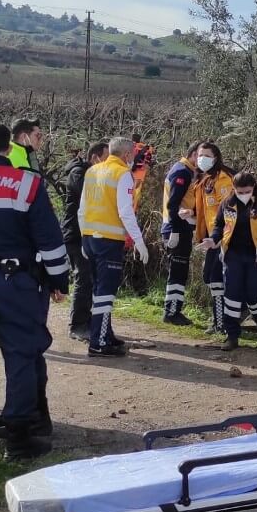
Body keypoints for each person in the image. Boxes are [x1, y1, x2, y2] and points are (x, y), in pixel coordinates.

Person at [0, 124, 70, 460]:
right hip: (15, 284)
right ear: (7, 147)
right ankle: (20, 436)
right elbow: (51, 241)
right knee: (22, 355)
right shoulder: (26, 184)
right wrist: (59, 280)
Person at [79, 136, 150, 356]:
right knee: (105, 293)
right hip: (109, 240)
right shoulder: (123, 174)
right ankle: (98, 342)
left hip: (90, 238)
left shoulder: (93, 171)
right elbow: (125, 212)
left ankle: (105, 334)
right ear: (128, 155)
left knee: (99, 290)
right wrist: (139, 241)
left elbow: (82, 207)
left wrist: (84, 235)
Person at [200, 171, 257, 351]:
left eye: (247, 191)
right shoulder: (227, 203)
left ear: (253, 188)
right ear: (234, 189)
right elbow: (219, 225)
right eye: (240, 191)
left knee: (253, 295)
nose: (243, 195)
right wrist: (213, 239)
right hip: (232, 254)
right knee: (232, 295)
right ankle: (232, 336)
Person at [61, 141, 109, 341]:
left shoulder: (90, 173)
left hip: (90, 233)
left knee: (89, 278)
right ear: (96, 157)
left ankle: (87, 320)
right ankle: (78, 325)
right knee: (84, 277)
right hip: (76, 234)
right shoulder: (78, 173)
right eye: (106, 157)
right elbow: (90, 196)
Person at [193, 142, 234, 335]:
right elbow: (206, 210)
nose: (202, 158)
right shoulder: (205, 180)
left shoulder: (223, 179)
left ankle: (222, 322)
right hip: (210, 236)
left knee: (215, 277)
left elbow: (227, 211)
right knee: (210, 277)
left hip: (223, 238)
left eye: (207, 155)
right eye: (200, 154)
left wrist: (219, 238)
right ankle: (219, 320)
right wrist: (191, 213)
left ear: (215, 158)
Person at [160, 141, 201, 325]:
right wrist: (175, 231)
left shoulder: (188, 171)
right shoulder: (182, 172)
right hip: (176, 228)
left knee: (179, 271)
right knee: (177, 271)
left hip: (181, 227)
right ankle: (172, 312)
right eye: (201, 155)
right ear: (193, 154)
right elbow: (173, 205)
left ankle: (173, 310)